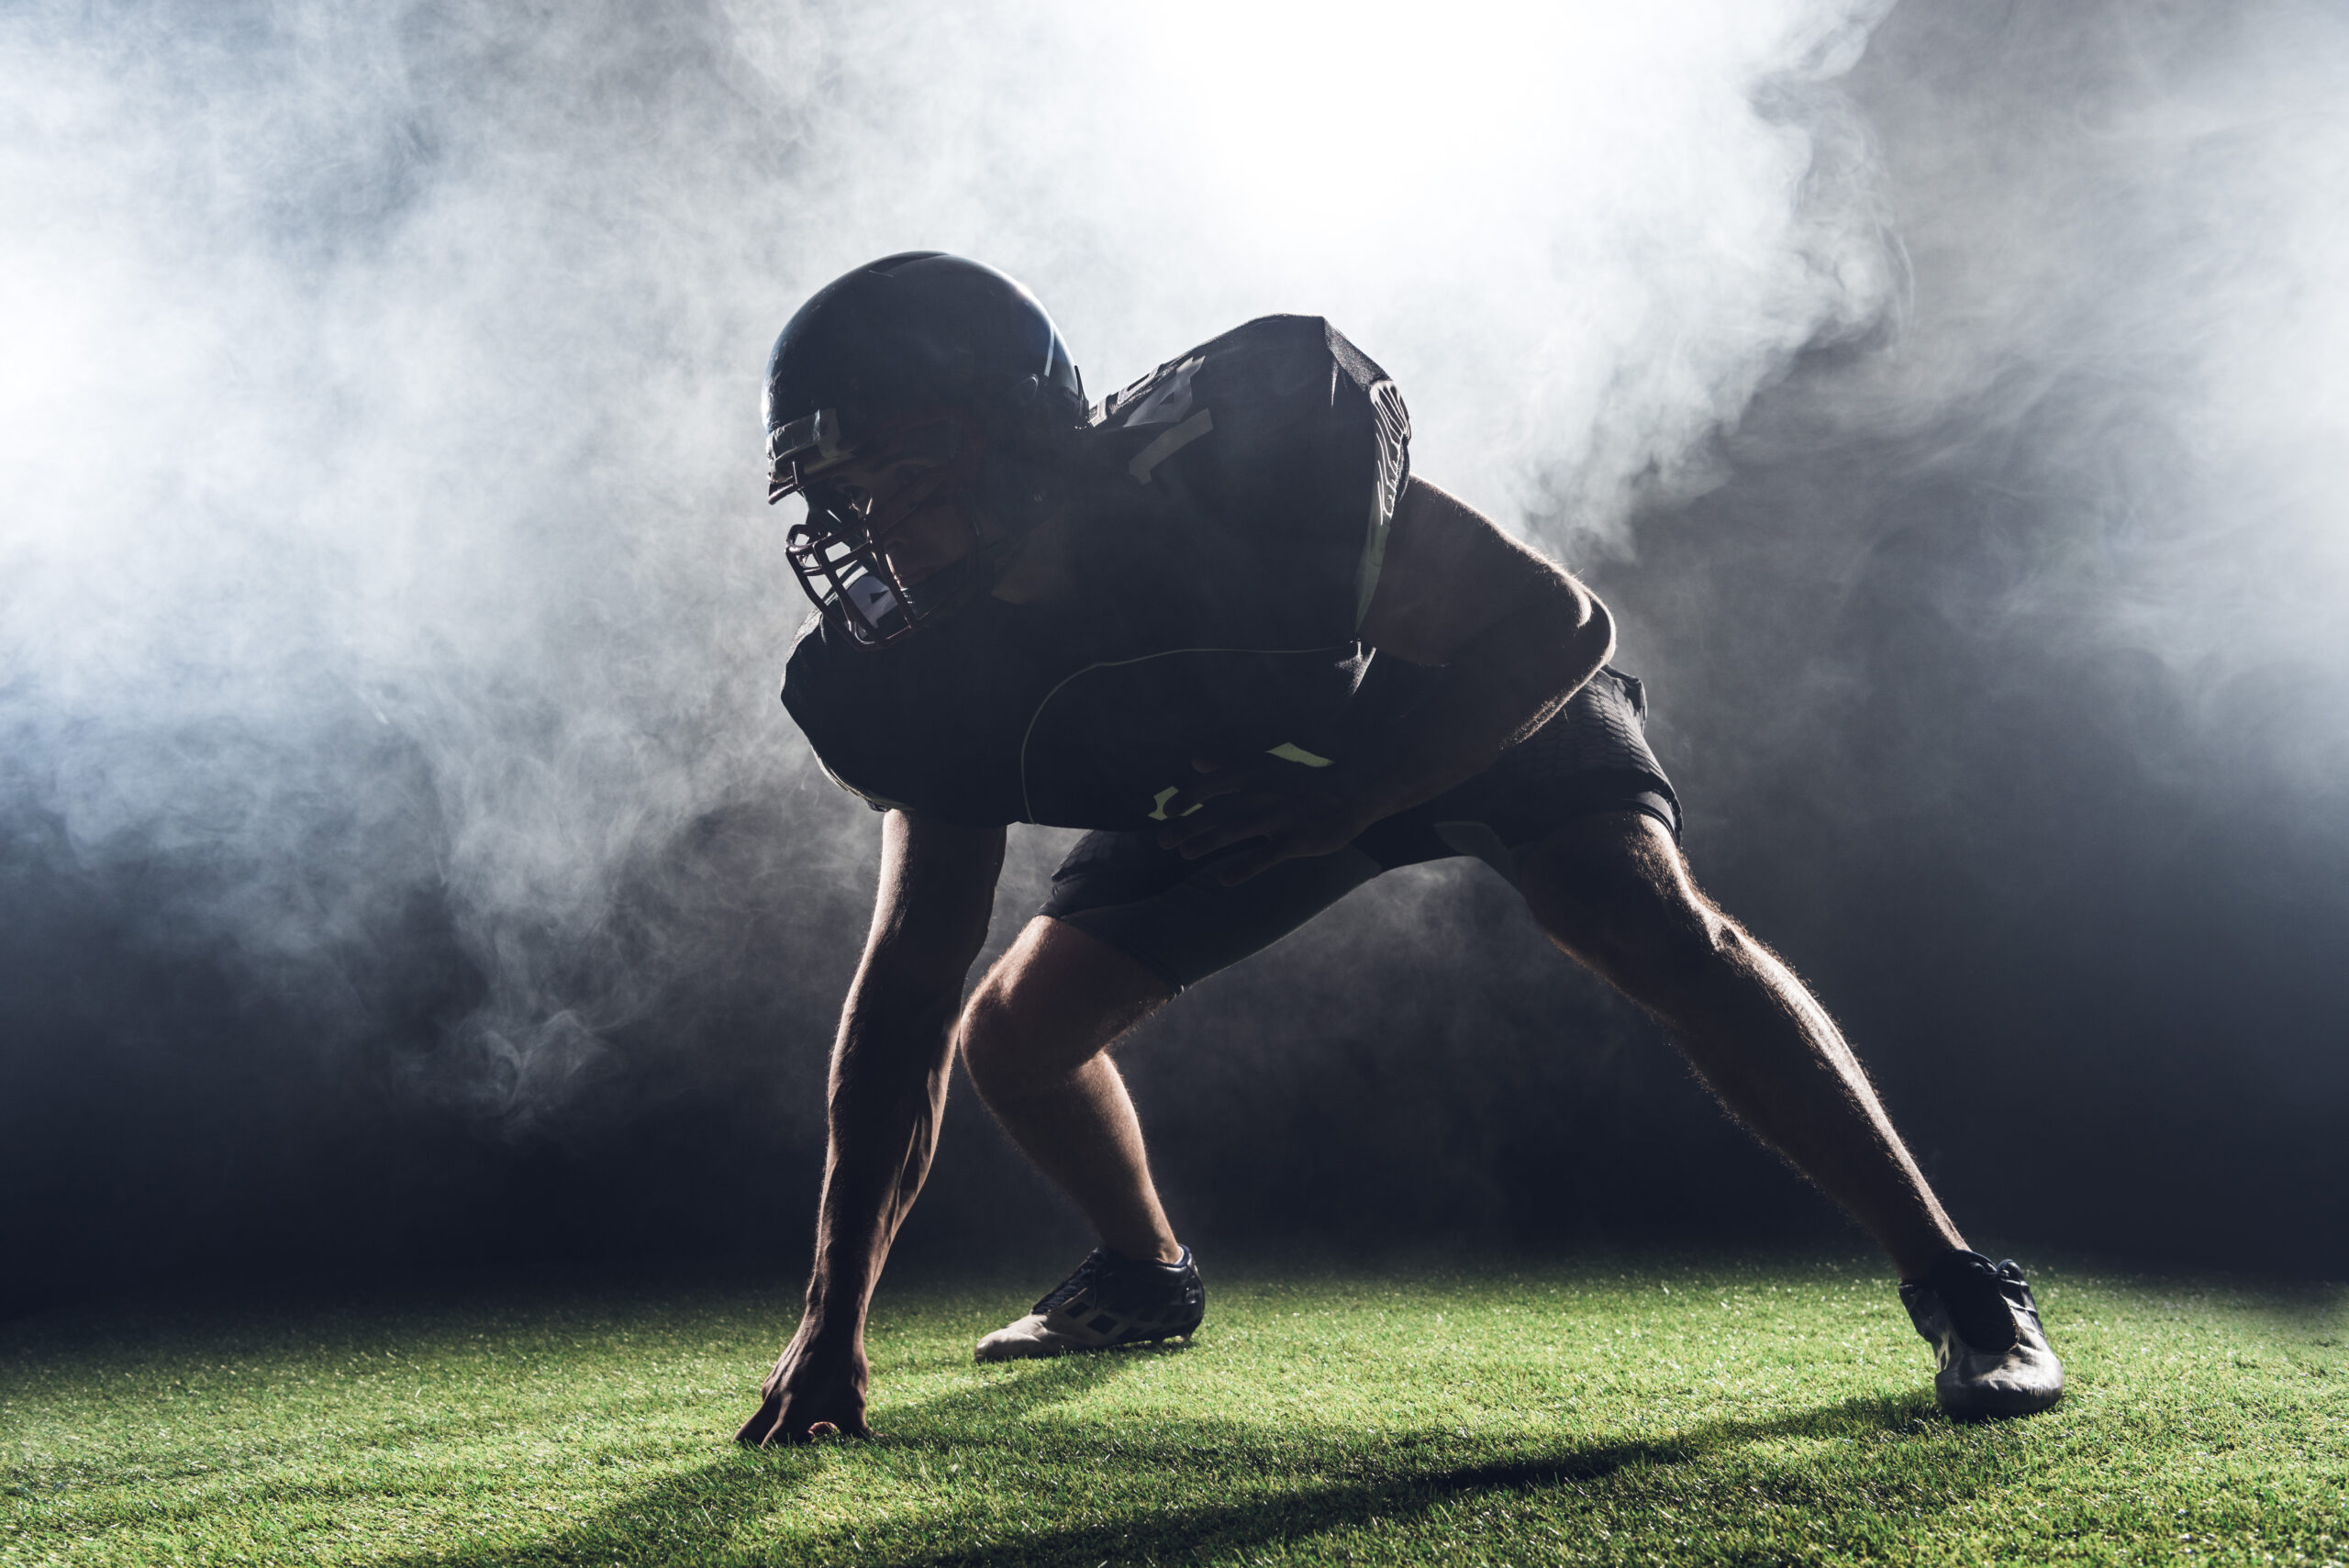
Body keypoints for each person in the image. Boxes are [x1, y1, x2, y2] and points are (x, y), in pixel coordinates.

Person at [733, 252, 2062, 1445]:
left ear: (1005, 440)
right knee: (1009, 1031)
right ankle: (1145, 1271)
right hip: (1261, 781)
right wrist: (831, 1317)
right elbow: (908, 983)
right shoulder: (938, 670)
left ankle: (1962, 1285)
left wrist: (1361, 791)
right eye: (846, 501)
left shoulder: (1227, 466)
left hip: (1457, 703)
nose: (876, 537)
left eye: (896, 482)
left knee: (1637, 916)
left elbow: (1558, 623)